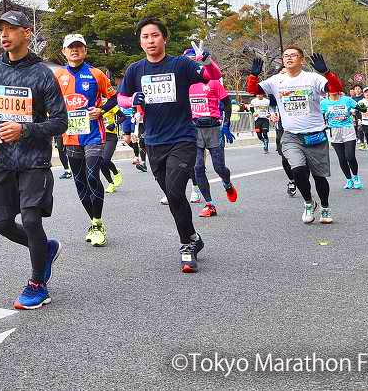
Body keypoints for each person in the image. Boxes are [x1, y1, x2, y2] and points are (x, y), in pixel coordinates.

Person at [116, 18, 221, 273]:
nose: (150, 40)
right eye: (145, 37)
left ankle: (185, 245)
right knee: (174, 198)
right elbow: (120, 98)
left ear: (164, 38)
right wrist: (132, 100)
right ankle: (194, 238)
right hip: (153, 142)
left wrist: (207, 61)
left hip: (183, 138)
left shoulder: (180, 64)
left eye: (155, 35)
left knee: (174, 192)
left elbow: (212, 76)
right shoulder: (135, 70)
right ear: (141, 41)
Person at [0, 11, 66, 307]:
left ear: (26, 33)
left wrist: (25, 129)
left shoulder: (42, 73)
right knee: (1, 222)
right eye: (0, 29)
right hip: (3, 160)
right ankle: (46, 249)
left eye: (11, 29)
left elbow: (61, 122)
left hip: (34, 161)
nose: (4, 34)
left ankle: (37, 283)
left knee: (30, 219)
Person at [245, 46, 343, 227]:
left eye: (293, 55)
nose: (288, 58)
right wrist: (254, 75)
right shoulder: (276, 80)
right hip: (291, 136)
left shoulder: (313, 78)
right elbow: (253, 91)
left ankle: (325, 206)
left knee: (319, 177)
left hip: (315, 135)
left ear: (302, 60)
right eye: (285, 56)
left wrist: (327, 72)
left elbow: (335, 88)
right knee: (297, 170)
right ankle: (308, 202)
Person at [51, 33, 113, 246]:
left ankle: (96, 223)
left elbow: (114, 96)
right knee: (79, 183)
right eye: (71, 47)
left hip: (94, 134)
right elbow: (49, 101)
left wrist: (101, 110)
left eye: (79, 47)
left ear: (85, 51)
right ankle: (95, 221)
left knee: (92, 176)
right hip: (69, 136)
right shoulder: (57, 75)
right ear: (64, 51)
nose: (75, 50)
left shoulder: (96, 74)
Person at [184, 43, 237, 219]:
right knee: (198, 167)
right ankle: (209, 204)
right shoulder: (185, 84)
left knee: (219, 167)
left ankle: (227, 183)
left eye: (194, 61)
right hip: (195, 129)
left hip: (213, 128)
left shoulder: (212, 81)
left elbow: (227, 102)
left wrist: (226, 124)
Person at [321, 83, 361, 190]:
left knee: (350, 156)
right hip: (334, 131)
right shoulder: (324, 103)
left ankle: (356, 177)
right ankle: (349, 179)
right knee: (342, 158)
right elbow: (318, 117)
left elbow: (360, 108)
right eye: (330, 88)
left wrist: (359, 109)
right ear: (327, 90)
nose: (333, 90)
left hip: (348, 129)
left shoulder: (347, 100)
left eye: (335, 88)